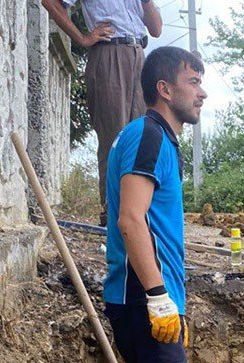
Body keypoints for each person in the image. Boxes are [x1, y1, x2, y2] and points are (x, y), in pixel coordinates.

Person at [103, 47, 221, 363]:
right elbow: (131, 220)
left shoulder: (160, 141)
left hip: (144, 295)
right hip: (140, 294)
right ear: (164, 89)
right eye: (193, 81)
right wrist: (157, 297)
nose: (202, 91)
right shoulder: (148, 135)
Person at [42, 0, 164, 219]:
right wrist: (82, 38)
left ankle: (139, 212)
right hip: (108, 53)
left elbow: (156, 29)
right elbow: (50, 3)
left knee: (142, 136)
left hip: (139, 54)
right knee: (115, 137)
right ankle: (113, 213)